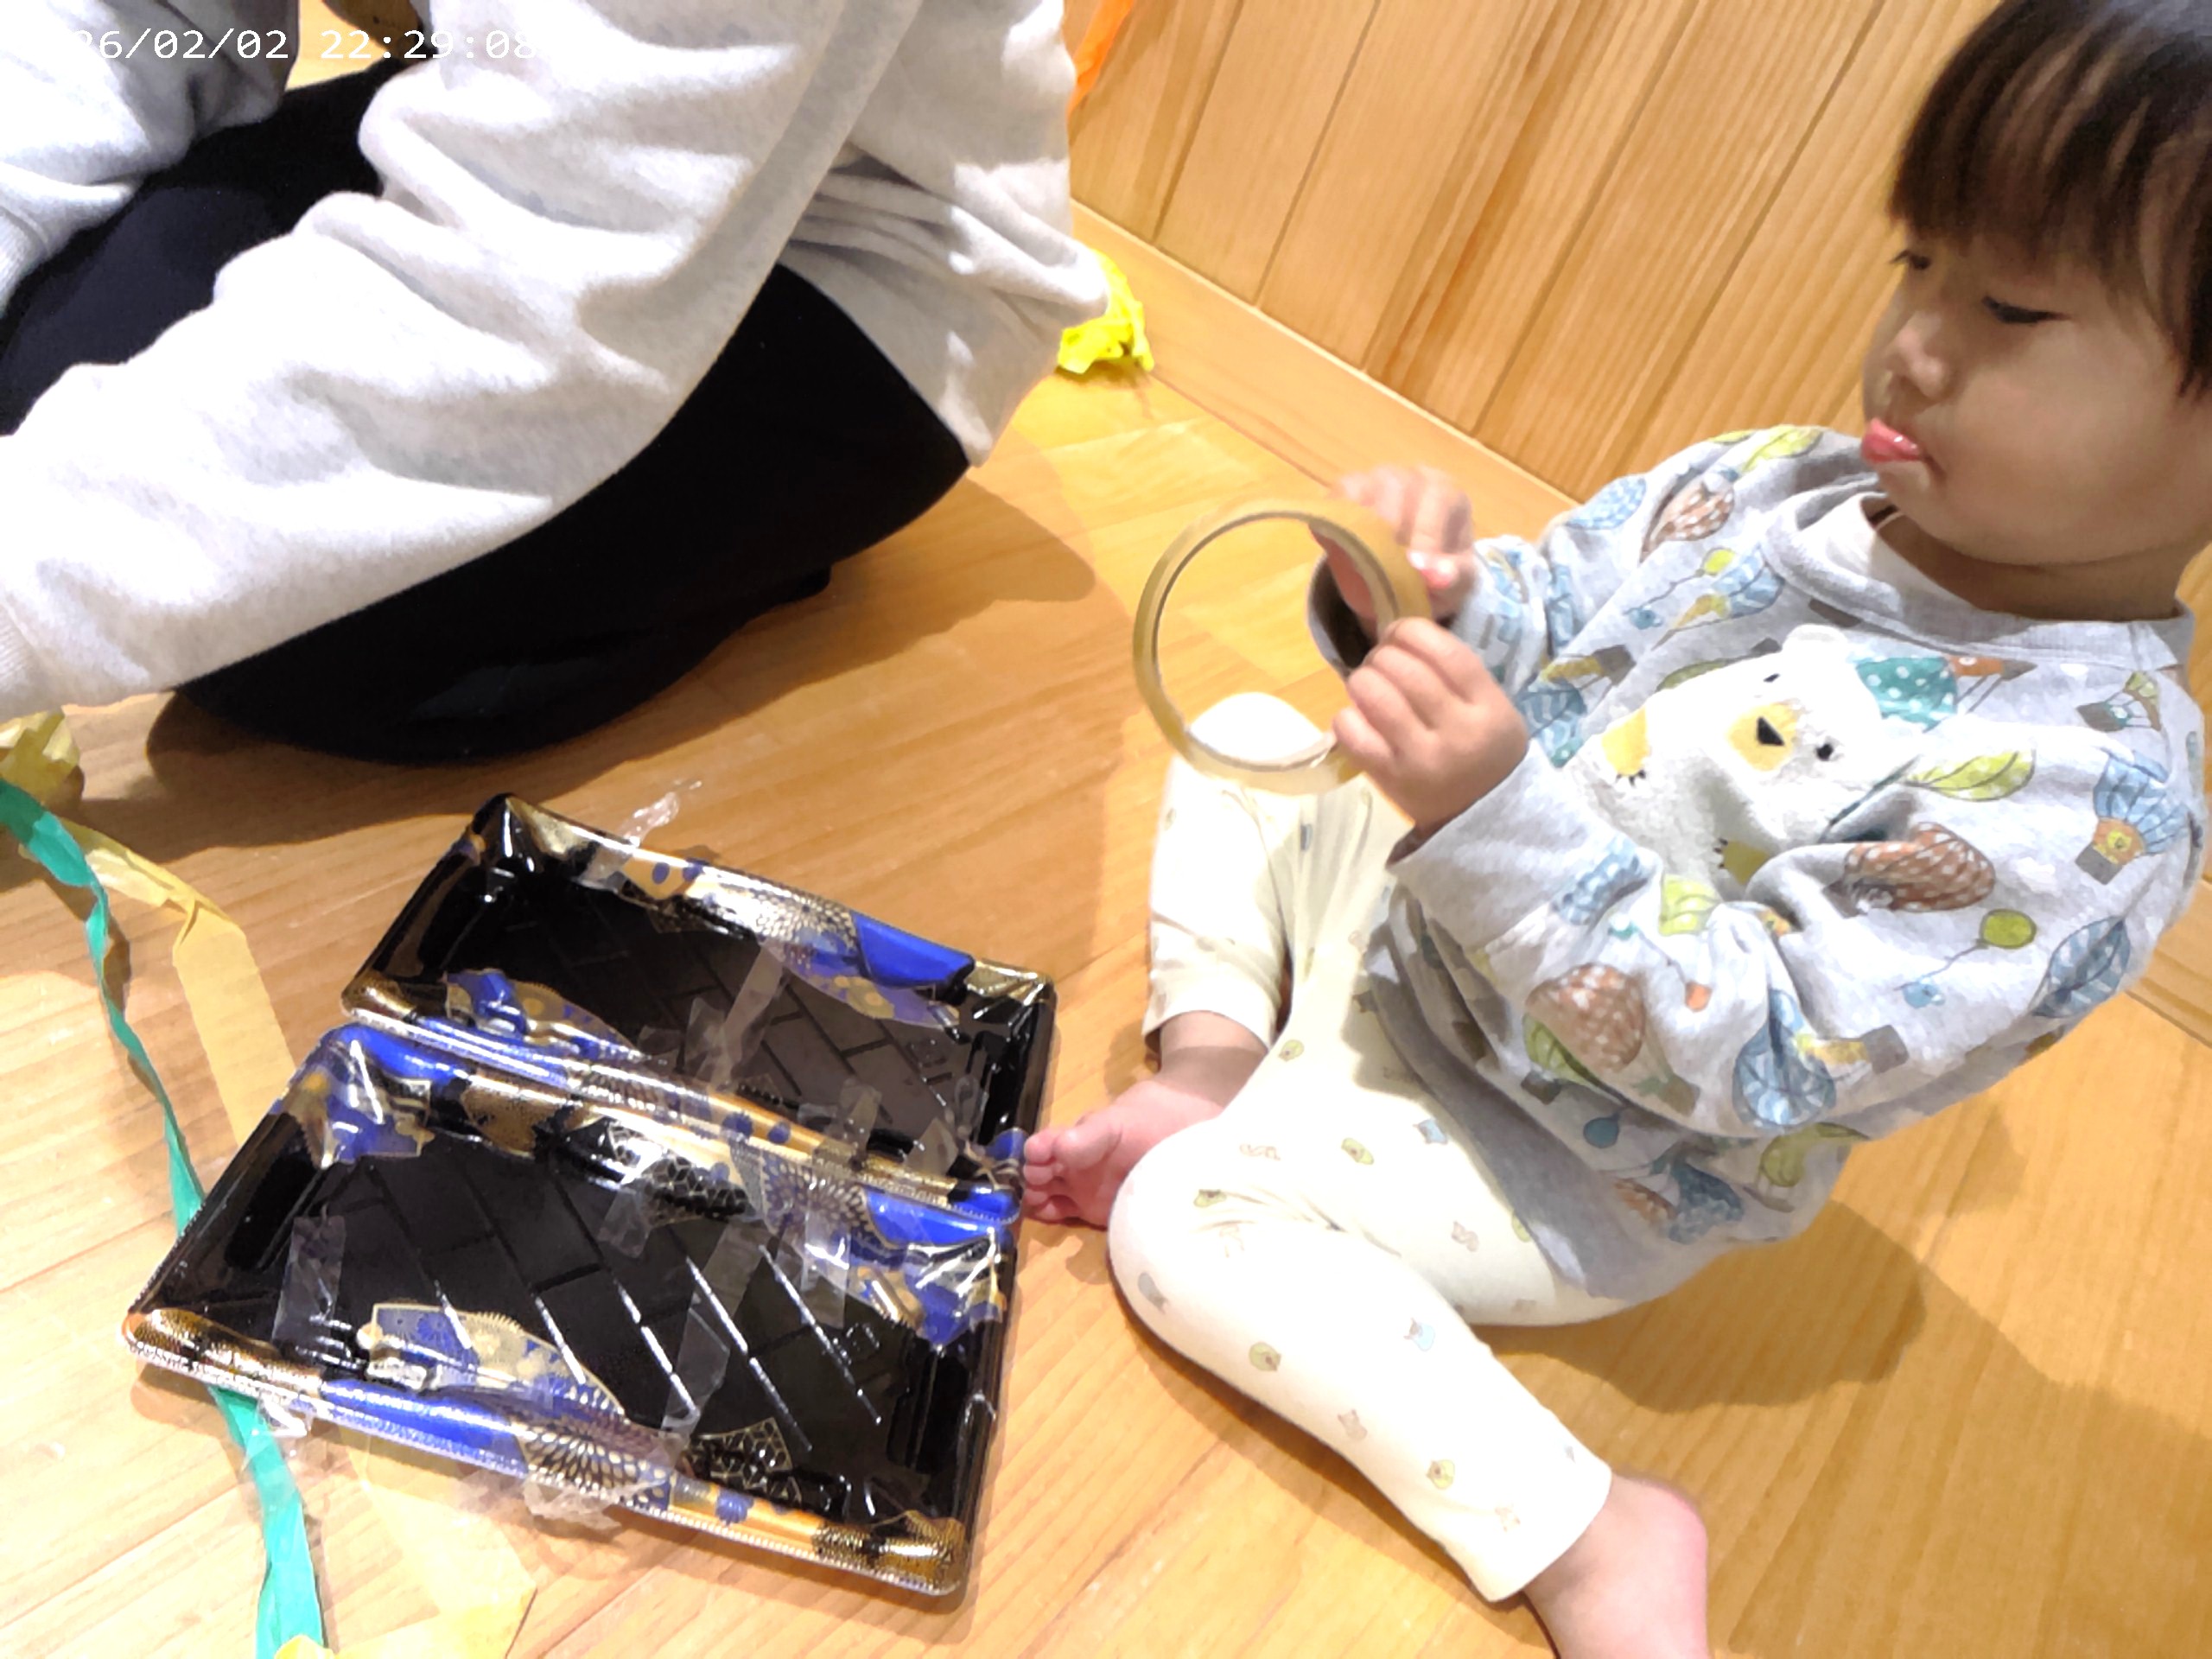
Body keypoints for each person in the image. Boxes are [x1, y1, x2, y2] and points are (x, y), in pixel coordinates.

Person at [1024, 1, 2212, 1651]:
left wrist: (1487, 810)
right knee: (1244, 739)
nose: (1916, 344)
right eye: (1917, 263)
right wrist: (1428, 607)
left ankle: (1588, 1533)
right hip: (1426, 929)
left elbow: (1758, 1053)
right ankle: (1213, 1069)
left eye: (2011, 308)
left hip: (1558, 1151)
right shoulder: (1772, 480)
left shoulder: (2086, 799)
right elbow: (1554, 623)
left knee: (1185, 1227)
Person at [0, 0, 1106, 760]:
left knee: (288, 649)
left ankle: (744, 548)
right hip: (555, 113)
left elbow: (513, 303)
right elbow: (134, 17)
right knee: (51, 351)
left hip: (856, 269)